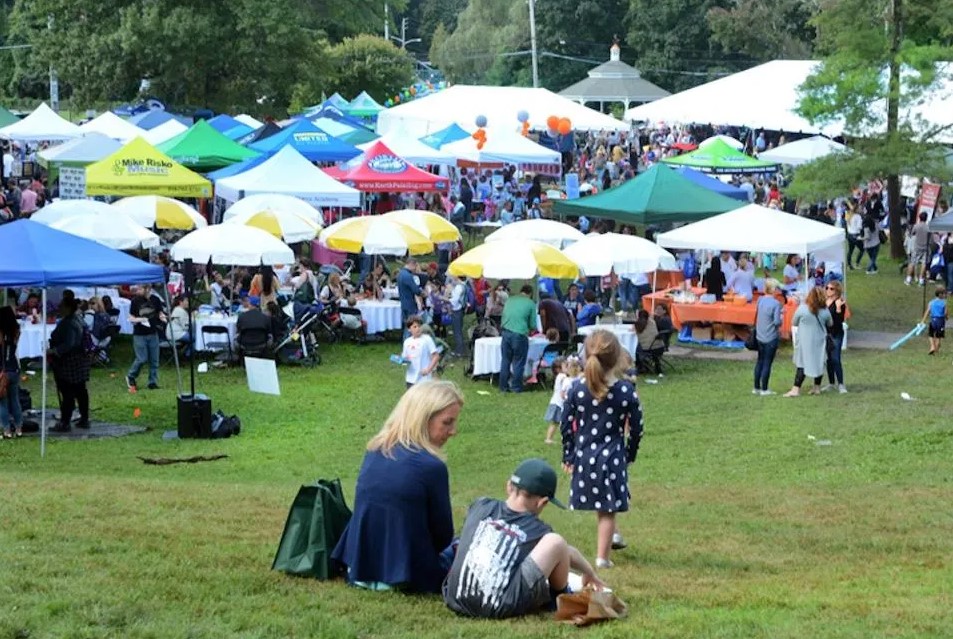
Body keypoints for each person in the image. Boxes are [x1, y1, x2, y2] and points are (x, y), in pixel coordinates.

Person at [332, 381, 463, 593]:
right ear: (423, 418)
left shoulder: (375, 450)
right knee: (462, 544)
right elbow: (442, 535)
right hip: (408, 576)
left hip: (358, 568)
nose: (453, 431)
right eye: (447, 423)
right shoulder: (432, 467)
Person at [442, 458, 605, 619]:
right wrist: (589, 572)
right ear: (543, 502)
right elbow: (565, 551)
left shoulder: (481, 505)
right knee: (556, 542)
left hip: (455, 596)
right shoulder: (538, 530)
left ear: (508, 486)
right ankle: (559, 597)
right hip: (497, 605)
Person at [560, 329, 644, 568]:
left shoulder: (576, 389)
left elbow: (566, 424)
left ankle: (614, 536)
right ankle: (602, 559)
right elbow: (637, 428)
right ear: (618, 357)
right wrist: (630, 453)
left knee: (604, 500)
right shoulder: (627, 391)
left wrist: (568, 454)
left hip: (585, 455)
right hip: (613, 456)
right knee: (608, 508)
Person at [48, 297, 90, 431]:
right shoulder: (78, 319)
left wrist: (55, 351)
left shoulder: (69, 322)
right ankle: (84, 418)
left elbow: (70, 343)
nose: (59, 308)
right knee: (80, 390)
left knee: (68, 392)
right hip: (79, 359)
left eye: (61, 305)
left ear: (67, 308)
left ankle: (65, 422)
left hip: (69, 361)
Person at [784, 287, 832, 397]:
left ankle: (796, 389)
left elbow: (794, 322)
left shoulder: (802, 309)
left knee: (801, 364)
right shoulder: (825, 311)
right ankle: (817, 387)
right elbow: (830, 323)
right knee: (819, 363)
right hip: (819, 341)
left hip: (804, 341)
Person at [126, 285, 165, 392]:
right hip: (139, 334)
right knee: (142, 358)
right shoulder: (135, 301)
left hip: (153, 333)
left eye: (140, 289)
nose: (137, 291)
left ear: (147, 289)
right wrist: (140, 319)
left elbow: (160, 312)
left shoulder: (155, 300)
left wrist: (163, 317)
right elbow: (131, 317)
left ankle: (152, 382)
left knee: (154, 360)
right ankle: (131, 376)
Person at [499, 284, 536, 394]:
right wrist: (530, 329)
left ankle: (503, 387)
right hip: (519, 334)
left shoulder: (510, 299)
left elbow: (504, 315)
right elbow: (533, 324)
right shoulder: (530, 303)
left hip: (505, 332)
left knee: (505, 360)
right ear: (530, 294)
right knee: (518, 362)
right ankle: (516, 387)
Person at [752, 280, 783, 395]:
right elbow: (776, 322)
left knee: (760, 361)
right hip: (770, 337)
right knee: (767, 363)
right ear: (774, 290)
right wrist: (781, 319)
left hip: (760, 335)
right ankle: (764, 388)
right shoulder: (776, 304)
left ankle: (756, 387)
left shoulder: (760, 300)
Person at [819, 280, 850, 393]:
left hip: (835, 333)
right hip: (825, 333)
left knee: (836, 358)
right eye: (827, 288)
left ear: (837, 290)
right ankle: (831, 383)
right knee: (829, 360)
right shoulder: (824, 301)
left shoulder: (839, 302)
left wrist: (837, 309)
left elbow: (838, 321)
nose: (828, 290)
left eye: (831, 289)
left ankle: (841, 384)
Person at [0, 306, 24, 438]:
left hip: (2, 371)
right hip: (14, 368)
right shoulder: (16, 331)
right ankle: (19, 427)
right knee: (15, 399)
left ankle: (7, 430)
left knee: (2, 402)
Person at [401, 316, 440, 387]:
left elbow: (436, 356)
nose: (418, 328)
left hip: (424, 379)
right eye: (415, 327)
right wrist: (401, 360)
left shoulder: (427, 339)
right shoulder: (407, 342)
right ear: (409, 329)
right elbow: (405, 358)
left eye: (419, 326)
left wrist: (428, 369)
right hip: (410, 378)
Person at [544, 357, 568, 445]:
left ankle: (550, 438)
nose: (568, 367)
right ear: (558, 368)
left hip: (556, 402)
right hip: (558, 404)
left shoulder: (560, 376)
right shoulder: (562, 376)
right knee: (557, 422)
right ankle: (549, 438)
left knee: (556, 422)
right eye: (566, 366)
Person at [634, 309, 663, 376]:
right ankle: (655, 367)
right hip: (660, 347)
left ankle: (639, 366)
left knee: (636, 348)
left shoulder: (638, 324)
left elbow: (633, 332)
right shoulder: (652, 322)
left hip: (648, 349)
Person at [397, 258, 422, 336]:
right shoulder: (408, 276)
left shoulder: (400, 274)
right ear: (411, 264)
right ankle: (409, 342)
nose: (415, 268)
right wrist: (423, 292)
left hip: (403, 303)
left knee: (406, 325)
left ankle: (406, 343)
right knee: (411, 325)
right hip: (410, 304)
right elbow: (416, 290)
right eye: (415, 266)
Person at [922, 285, 948, 355]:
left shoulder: (931, 302)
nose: (945, 295)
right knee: (939, 337)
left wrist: (923, 321)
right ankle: (936, 349)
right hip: (940, 321)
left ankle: (932, 346)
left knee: (931, 335)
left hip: (932, 320)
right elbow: (945, 313)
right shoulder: (944, 302)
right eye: (944, 294)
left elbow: (927, 311)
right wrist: (946, 317)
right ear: (940, 294)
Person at [906, 212, 931, 286]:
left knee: (912, 262)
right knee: (924, 263)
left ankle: (908, 279)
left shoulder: (916, 226)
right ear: (926, 218)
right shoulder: (928, 227)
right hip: (925, 247)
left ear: (919, 218)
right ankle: (921, 280)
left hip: (917, 247)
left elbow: (912, 234)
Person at [448, 275, 467, 358]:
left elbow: (454, 300)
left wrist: (445, 299)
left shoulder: (459, 287)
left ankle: (459, 351)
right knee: (458, 330)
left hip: (456, 310)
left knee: (457, 331)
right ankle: (460, 349)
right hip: (460, 309)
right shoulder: (464, 285)